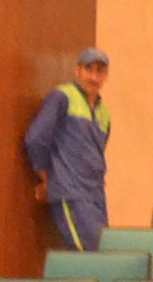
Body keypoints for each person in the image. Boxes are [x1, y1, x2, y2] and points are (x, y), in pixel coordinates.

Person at [25, 47, 115, 251]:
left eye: (100, 71)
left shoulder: (104, 114)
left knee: (105, 253)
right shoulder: (62, 97)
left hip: (96, 196)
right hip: (71, 193)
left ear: (106, 76)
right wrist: (46, 178)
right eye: (88, 69)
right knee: (88, 254)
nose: (94, 77)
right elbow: (36, 139)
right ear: (77, 71)